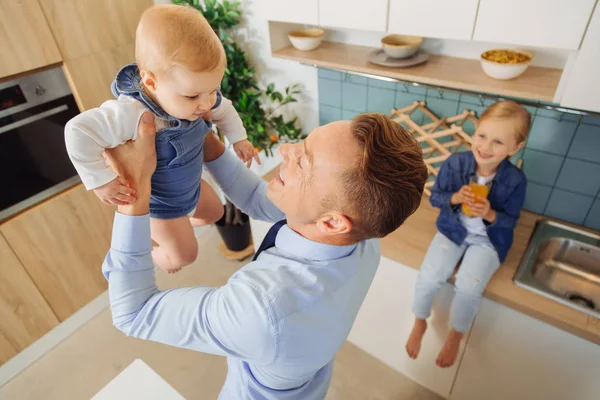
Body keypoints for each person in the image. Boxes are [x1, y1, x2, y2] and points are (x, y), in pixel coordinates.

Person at [101, 112, 427, 399]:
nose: (285, 150)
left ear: (332, 222)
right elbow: (260, 199)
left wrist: (135, 190)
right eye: (303, 143)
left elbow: (134, 313)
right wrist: (202, 136)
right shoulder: (364, 237)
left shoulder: (262, 310)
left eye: (303, 161)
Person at [65, 4, 259, 274]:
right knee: (185, 255)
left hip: (190, 187)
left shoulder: (200, 92)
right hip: (161, 205)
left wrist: (239, 139)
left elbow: (224, 110)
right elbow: (77, 131)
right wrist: (100, 180)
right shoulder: (130, 112)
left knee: (216, 213)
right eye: (192, 96)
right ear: (152, 82)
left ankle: (180, 230)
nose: (206, 104)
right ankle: (162, 253)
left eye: (213, 90)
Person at [405, 100, 530, 368]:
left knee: (469, 286)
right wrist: (454, 197)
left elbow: (510, 222)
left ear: (515, 148)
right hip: (454, 229)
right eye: (482, 136)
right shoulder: (455, 163)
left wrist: (490, 215)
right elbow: (435, 198)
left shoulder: (516, 180)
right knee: (430, 275)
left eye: (498, 142)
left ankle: (455, 334)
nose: (485, 147)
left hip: (489, 239)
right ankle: (419, 321)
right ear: (474, 133)